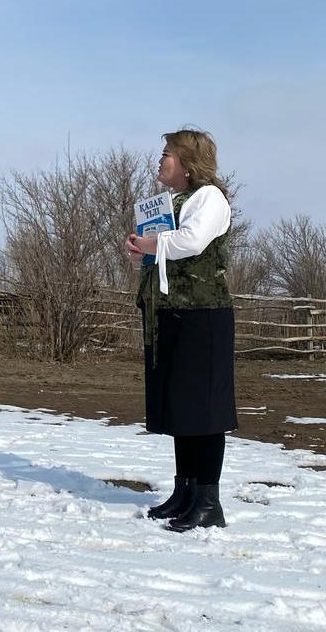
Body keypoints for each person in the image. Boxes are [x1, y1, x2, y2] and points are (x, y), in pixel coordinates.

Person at [127, 129, 236, 532]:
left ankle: (209, 501)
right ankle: (186, 491)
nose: (160, 160)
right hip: (173, 312)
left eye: (167, 154)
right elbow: (166, 248)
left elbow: (191, 241)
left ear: (188, 163)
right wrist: (142, 250)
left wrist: (151, 244)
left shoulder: (210, 198)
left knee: (204, 409)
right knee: (182, 407)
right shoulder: (174, 202)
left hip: (203, 315)